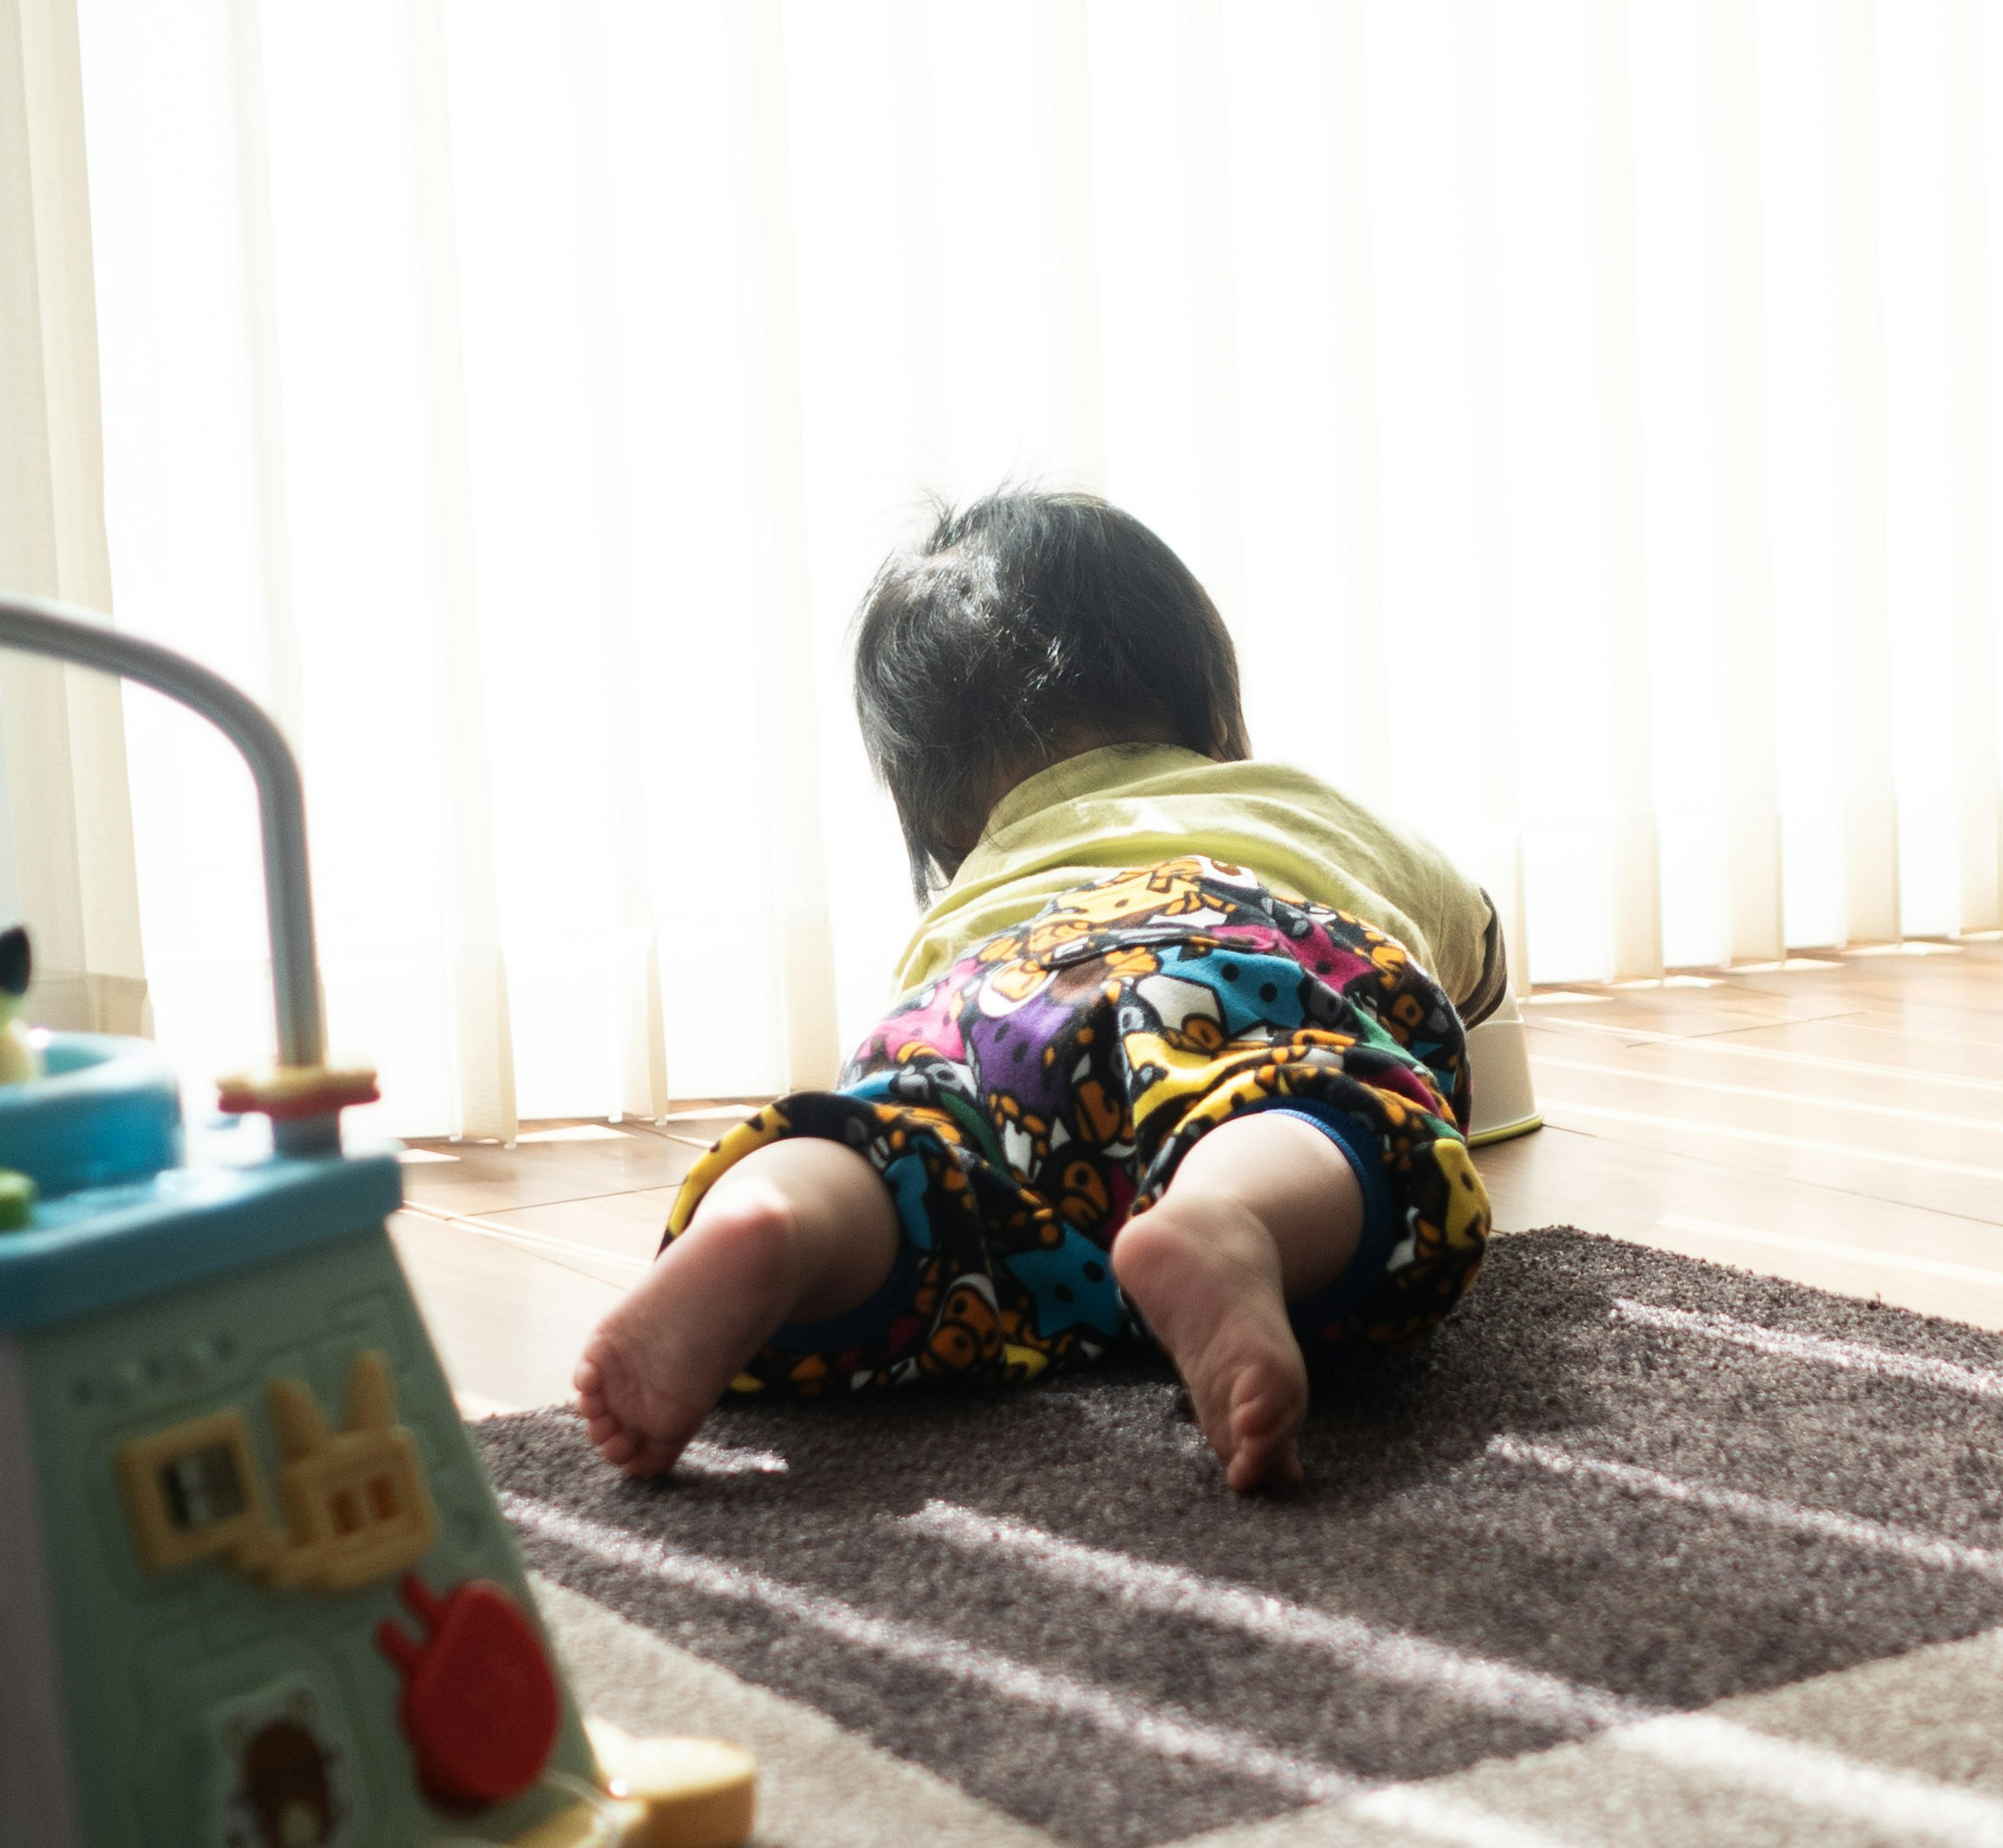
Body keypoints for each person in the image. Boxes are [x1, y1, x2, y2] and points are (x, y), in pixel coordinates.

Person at [572, 490, 1499, 1495]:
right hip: (1230, 950)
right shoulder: (1296, 804)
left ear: (935, 811)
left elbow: (913, 1040)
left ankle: (785, 1216)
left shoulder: (981, 877)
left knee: (917, 1149)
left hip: (994, 992)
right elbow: (1472, 943)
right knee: (1313, 1106)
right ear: (1206, 701)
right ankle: (1228, 1214)